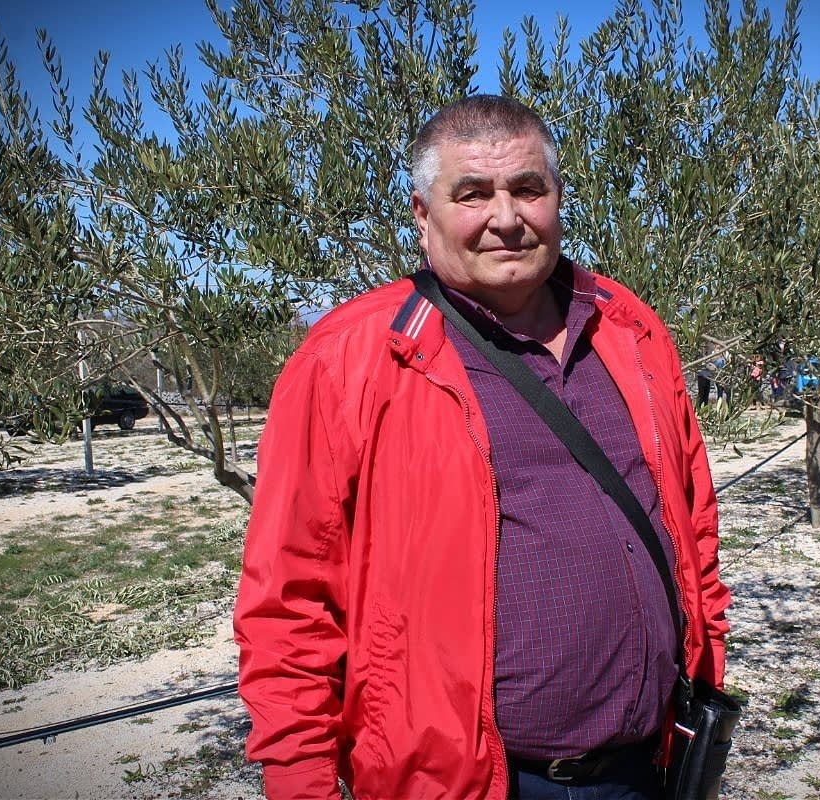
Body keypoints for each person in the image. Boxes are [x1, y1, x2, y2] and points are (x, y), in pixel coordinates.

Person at [233, 96, 730, 800]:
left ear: (557, 198)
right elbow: (289, 600)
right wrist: (300, 781)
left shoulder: (631, 330)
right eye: (472, 194)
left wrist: (706, 672)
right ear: (421, 213)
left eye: (528, 188)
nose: (506, 217)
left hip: (641, 769)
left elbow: (692, 522)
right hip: (463, 784)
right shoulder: (348, 360)